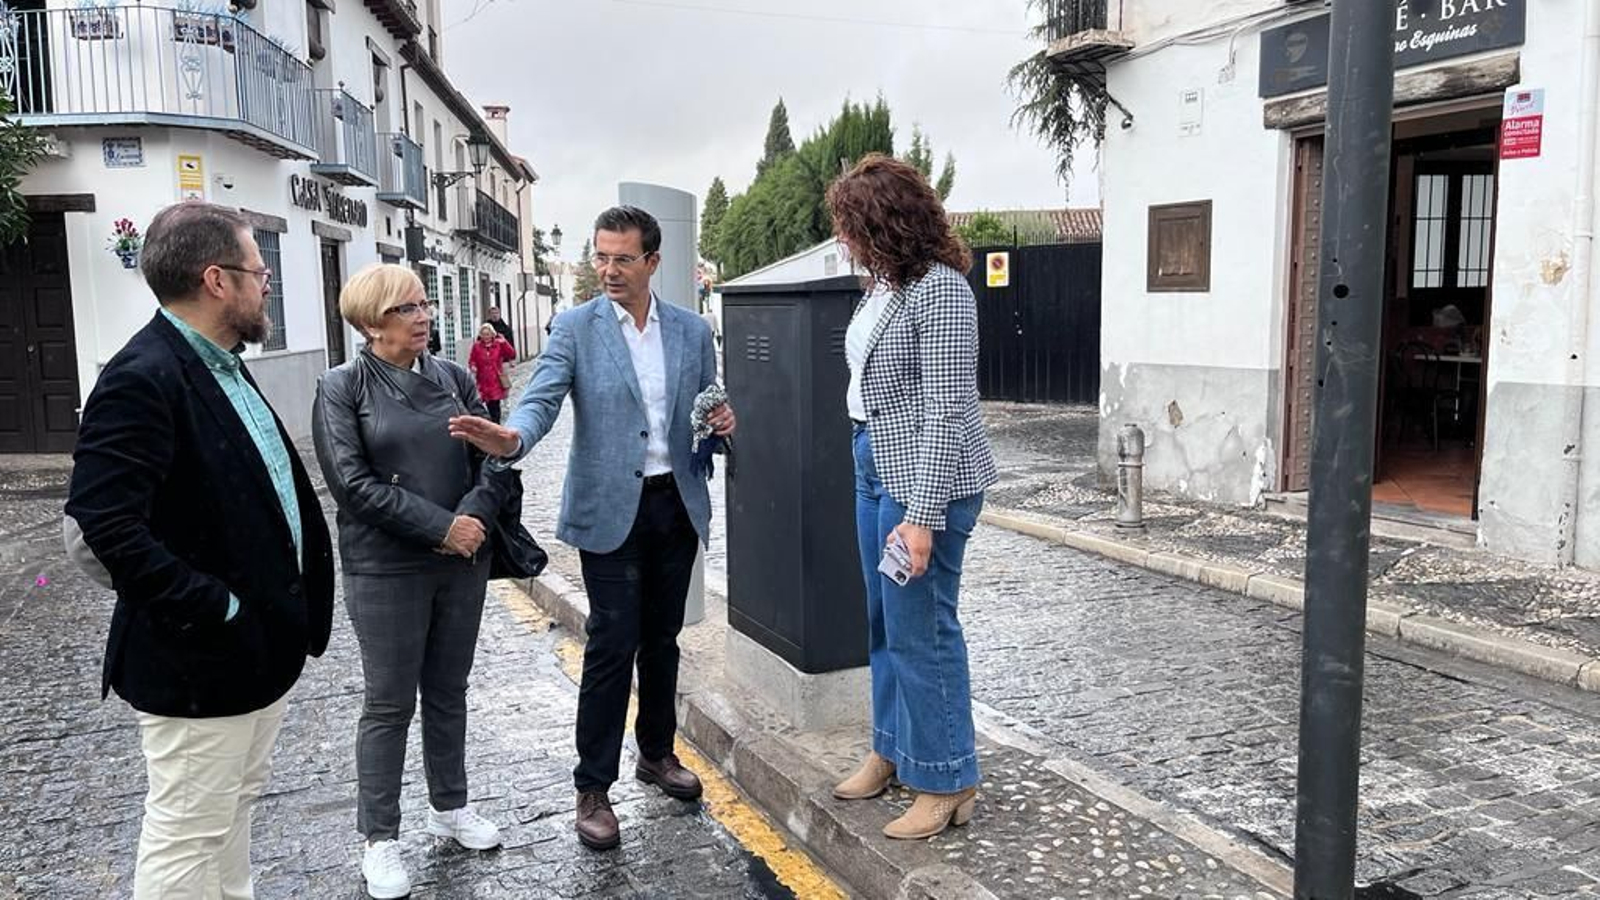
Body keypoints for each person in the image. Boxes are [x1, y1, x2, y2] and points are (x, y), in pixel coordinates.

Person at [63, 201, 335, 898]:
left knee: (230, 818)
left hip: (254, 654)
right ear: (217, 281)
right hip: (198, 663)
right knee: (187, 836)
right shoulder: (142, 376)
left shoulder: (220, 364)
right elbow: (103, 526)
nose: (266, 280)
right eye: (256, 267)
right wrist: (217, 607)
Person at [448, 206, 735, 852]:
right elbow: (544, 396)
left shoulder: (691, 332)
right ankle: (592, 786)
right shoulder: (575, 328)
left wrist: (720, 417)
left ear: (653, 262)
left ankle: (656, 755)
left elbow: (707, 396)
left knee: (662, 640)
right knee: (612, 643)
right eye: (600, 257)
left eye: (622, 258)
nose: (607, 269)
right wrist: (512, 435)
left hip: (675, 503)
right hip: (609, 509)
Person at [312, 265, 509, 900]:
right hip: (387, 565)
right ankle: (380, 838)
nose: (424, 316)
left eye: (424, 304)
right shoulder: (341, 388)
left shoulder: (452, 377)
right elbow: (352, 485)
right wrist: (440, 527)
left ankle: (449, 806)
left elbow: (494, 458)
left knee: (450, 689)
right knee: (390, 702)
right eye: (407, 309)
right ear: (371, 323)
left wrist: (474, 517)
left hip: (462, 559)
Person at [824, 154, 998, 840]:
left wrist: (921, 519)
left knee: (922, 628)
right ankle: (893, 750)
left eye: (851, 226)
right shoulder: (883, 288)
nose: (845, 240)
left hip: (928, 481)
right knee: (884, 620)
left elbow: (947, 412)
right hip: (873, 460)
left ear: (884, 224)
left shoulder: (941, 292)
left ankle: (947, 777)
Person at [468, 322, 516, 423]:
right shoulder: (477, 346)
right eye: (483, 334)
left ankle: (496, 426)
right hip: (482, 381)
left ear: (492, 334)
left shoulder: (498, 344)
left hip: (495, 380)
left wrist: (505, 342)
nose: (486, 337)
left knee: (495, 406)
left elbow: (511, 353)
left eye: (488, 334)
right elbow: (472, 359)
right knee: (482, 406)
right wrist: (473, 366)